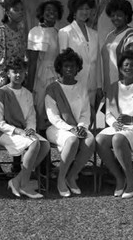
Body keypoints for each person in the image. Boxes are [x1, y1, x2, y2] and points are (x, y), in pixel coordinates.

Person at [96, 51, 133, 199]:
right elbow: (109, 113)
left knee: (118, 139)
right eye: (125, 65)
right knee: (99, 140)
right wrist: (114, 123)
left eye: (132, 65)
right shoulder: (113, 87)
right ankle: (119, 177)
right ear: (120, 68)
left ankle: (131, 179)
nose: (128, 68)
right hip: (120, 126)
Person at [0, 57, 50, 199]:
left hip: (23, 130)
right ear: (8, 74)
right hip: (2, 132)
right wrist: (18, 131)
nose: (18, 75)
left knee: (45, 145)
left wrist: (30, 130)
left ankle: (16, 180)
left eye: (21, 72)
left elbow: (31, 116)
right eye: (15, 72)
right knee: (35, 143)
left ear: (25, 74)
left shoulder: (28, 94)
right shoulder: (0, 93)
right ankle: (24, 185)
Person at [45, 48, 95, 197]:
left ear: (77, 68)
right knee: (72, 140)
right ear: (60, 68)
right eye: (66, 66)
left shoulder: (81, 87)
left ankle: (71, 176)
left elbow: (86, 113)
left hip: (78, 127)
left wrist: (81, 127)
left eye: (72, 66)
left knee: (90, 140)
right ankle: (61, 179)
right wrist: (71, 129)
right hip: (56, 128)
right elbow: (53, 117)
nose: (69, 69)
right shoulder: (52, 88)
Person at [0, 0, 27, 174]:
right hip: (1, 83)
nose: (20, 12)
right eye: (16, 9)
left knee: (17, 119)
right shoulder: (1, 32)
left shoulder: (20, 31)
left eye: (21, 9)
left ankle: (17, 164)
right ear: (7, 11)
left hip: (16, 81)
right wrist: (5, 85)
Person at [27, 0, 64, 132]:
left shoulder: (58, 32)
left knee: (53, 110)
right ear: (42, 13)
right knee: (40, 108)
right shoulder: (36, 31)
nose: (51, 13)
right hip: (41, 74)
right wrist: (29, 87)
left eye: (54, 11)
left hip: (56, 74)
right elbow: (32, 61)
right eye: (48, 10)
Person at [58, 0, 101, 107]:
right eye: (81, 9)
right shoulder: (65, 32)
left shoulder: (94, 34)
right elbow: (62, 61)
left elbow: (96, 62)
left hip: (91, 85)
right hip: (73, 82)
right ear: (74, 11)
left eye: (87, 9)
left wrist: (99, 86)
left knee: (90, 118)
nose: (84, 12)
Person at [101, 0, 133, 94]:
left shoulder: (131, 35)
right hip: (107, 86)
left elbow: (132, 64)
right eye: (112, 15)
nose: (115, 18)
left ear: (126, 16)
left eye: (119, 15)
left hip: (123, 88)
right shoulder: (110, 35)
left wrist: (126, 87)